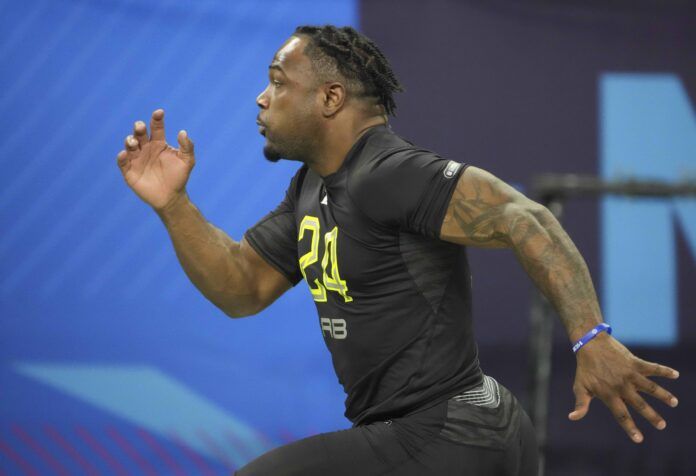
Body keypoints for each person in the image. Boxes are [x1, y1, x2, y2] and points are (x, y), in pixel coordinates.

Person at [116, 25, 679, 476]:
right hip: (434, 437)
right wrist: (174, 206)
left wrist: (591, 336)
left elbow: (525, 218)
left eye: (278, 81)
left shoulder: (386, 171)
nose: (262, 98)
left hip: (453, 433)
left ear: (330, 97)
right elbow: (242, 287)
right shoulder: (310, 186)